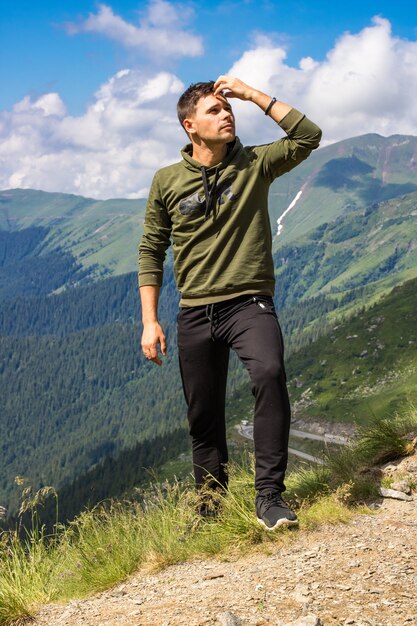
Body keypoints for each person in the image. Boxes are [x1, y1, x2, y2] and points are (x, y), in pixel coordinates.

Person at [138, 76, 321, 529]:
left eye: (228, 108)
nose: (227, 114)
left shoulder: (255, 163)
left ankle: (270, 498)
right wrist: (149, 321)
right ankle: (209, 510)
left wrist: (254, 95)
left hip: (248, 304)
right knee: (203, 415)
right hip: (194, 311)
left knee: (270, 373)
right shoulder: (167, 181)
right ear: (190, 126)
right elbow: (150, 250)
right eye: (215, 110)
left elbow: (308, 135)